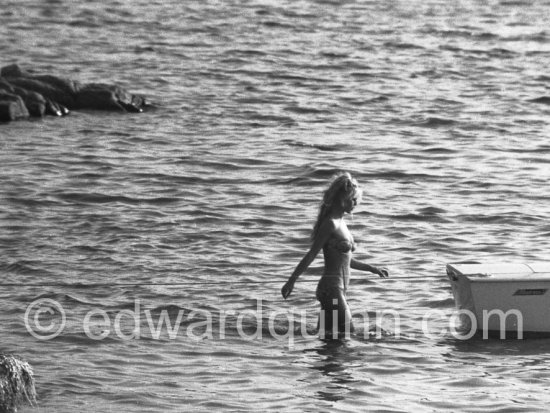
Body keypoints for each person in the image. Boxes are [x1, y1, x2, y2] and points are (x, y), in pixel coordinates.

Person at [281, 171, 388, 338]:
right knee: (349, 333)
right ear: (341, 198)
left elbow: (346, 261)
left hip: (338, 290)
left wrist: (372, 269)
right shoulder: (330, 224)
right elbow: (311, 255)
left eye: (356, 200)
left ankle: (324, 363)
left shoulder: (342, 223)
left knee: (328, 339)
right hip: (331, 290)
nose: (356, 203)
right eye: (353, 199)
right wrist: (291, 281)